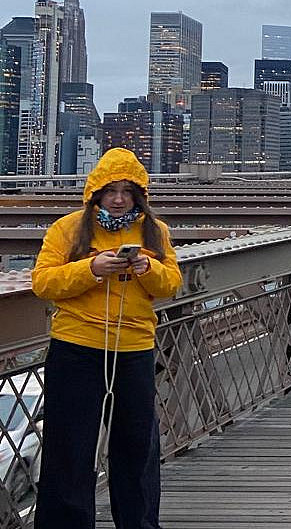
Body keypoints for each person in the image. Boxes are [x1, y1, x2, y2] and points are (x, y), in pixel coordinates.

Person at [31, 148, 181, 529]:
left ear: (139, 195)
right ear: (94, 192)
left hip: (134, 348)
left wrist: (148, 268)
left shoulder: (155, 231)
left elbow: (171, 285)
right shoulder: (67, 229)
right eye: (110, 190)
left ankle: (139, 523)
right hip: (77, 346)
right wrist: (91, 268)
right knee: (70, 445)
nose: (118, 199)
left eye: (127, 191)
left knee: (137, 446)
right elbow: (43, 282)